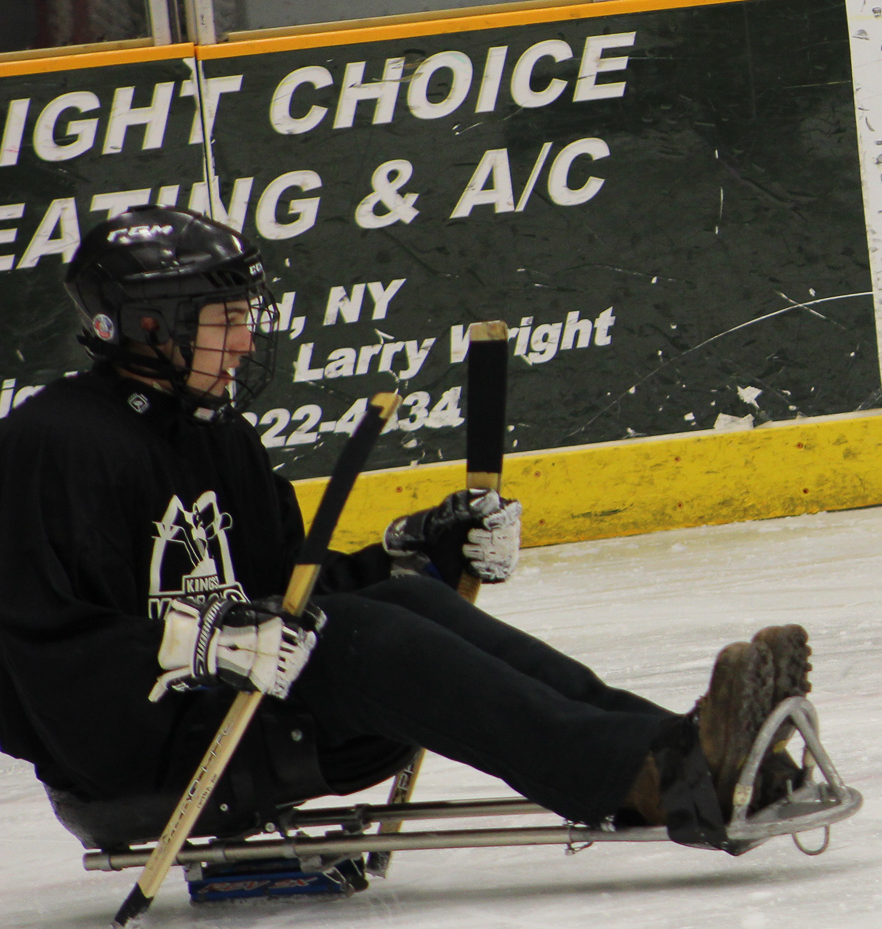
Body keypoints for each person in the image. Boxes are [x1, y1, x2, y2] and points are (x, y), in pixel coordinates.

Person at [0, 205, 817, 856]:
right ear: (148, 325)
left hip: (239, 712)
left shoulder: (212, 429)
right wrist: (198, 647)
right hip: (139, 754)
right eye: (222, 318)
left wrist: (415, 551)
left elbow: (289, 588)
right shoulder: (57, 442)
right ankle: (665, 775)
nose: (246, 340)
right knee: (357, 634)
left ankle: (691, 754)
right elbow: (34, 647)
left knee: (409, 607)